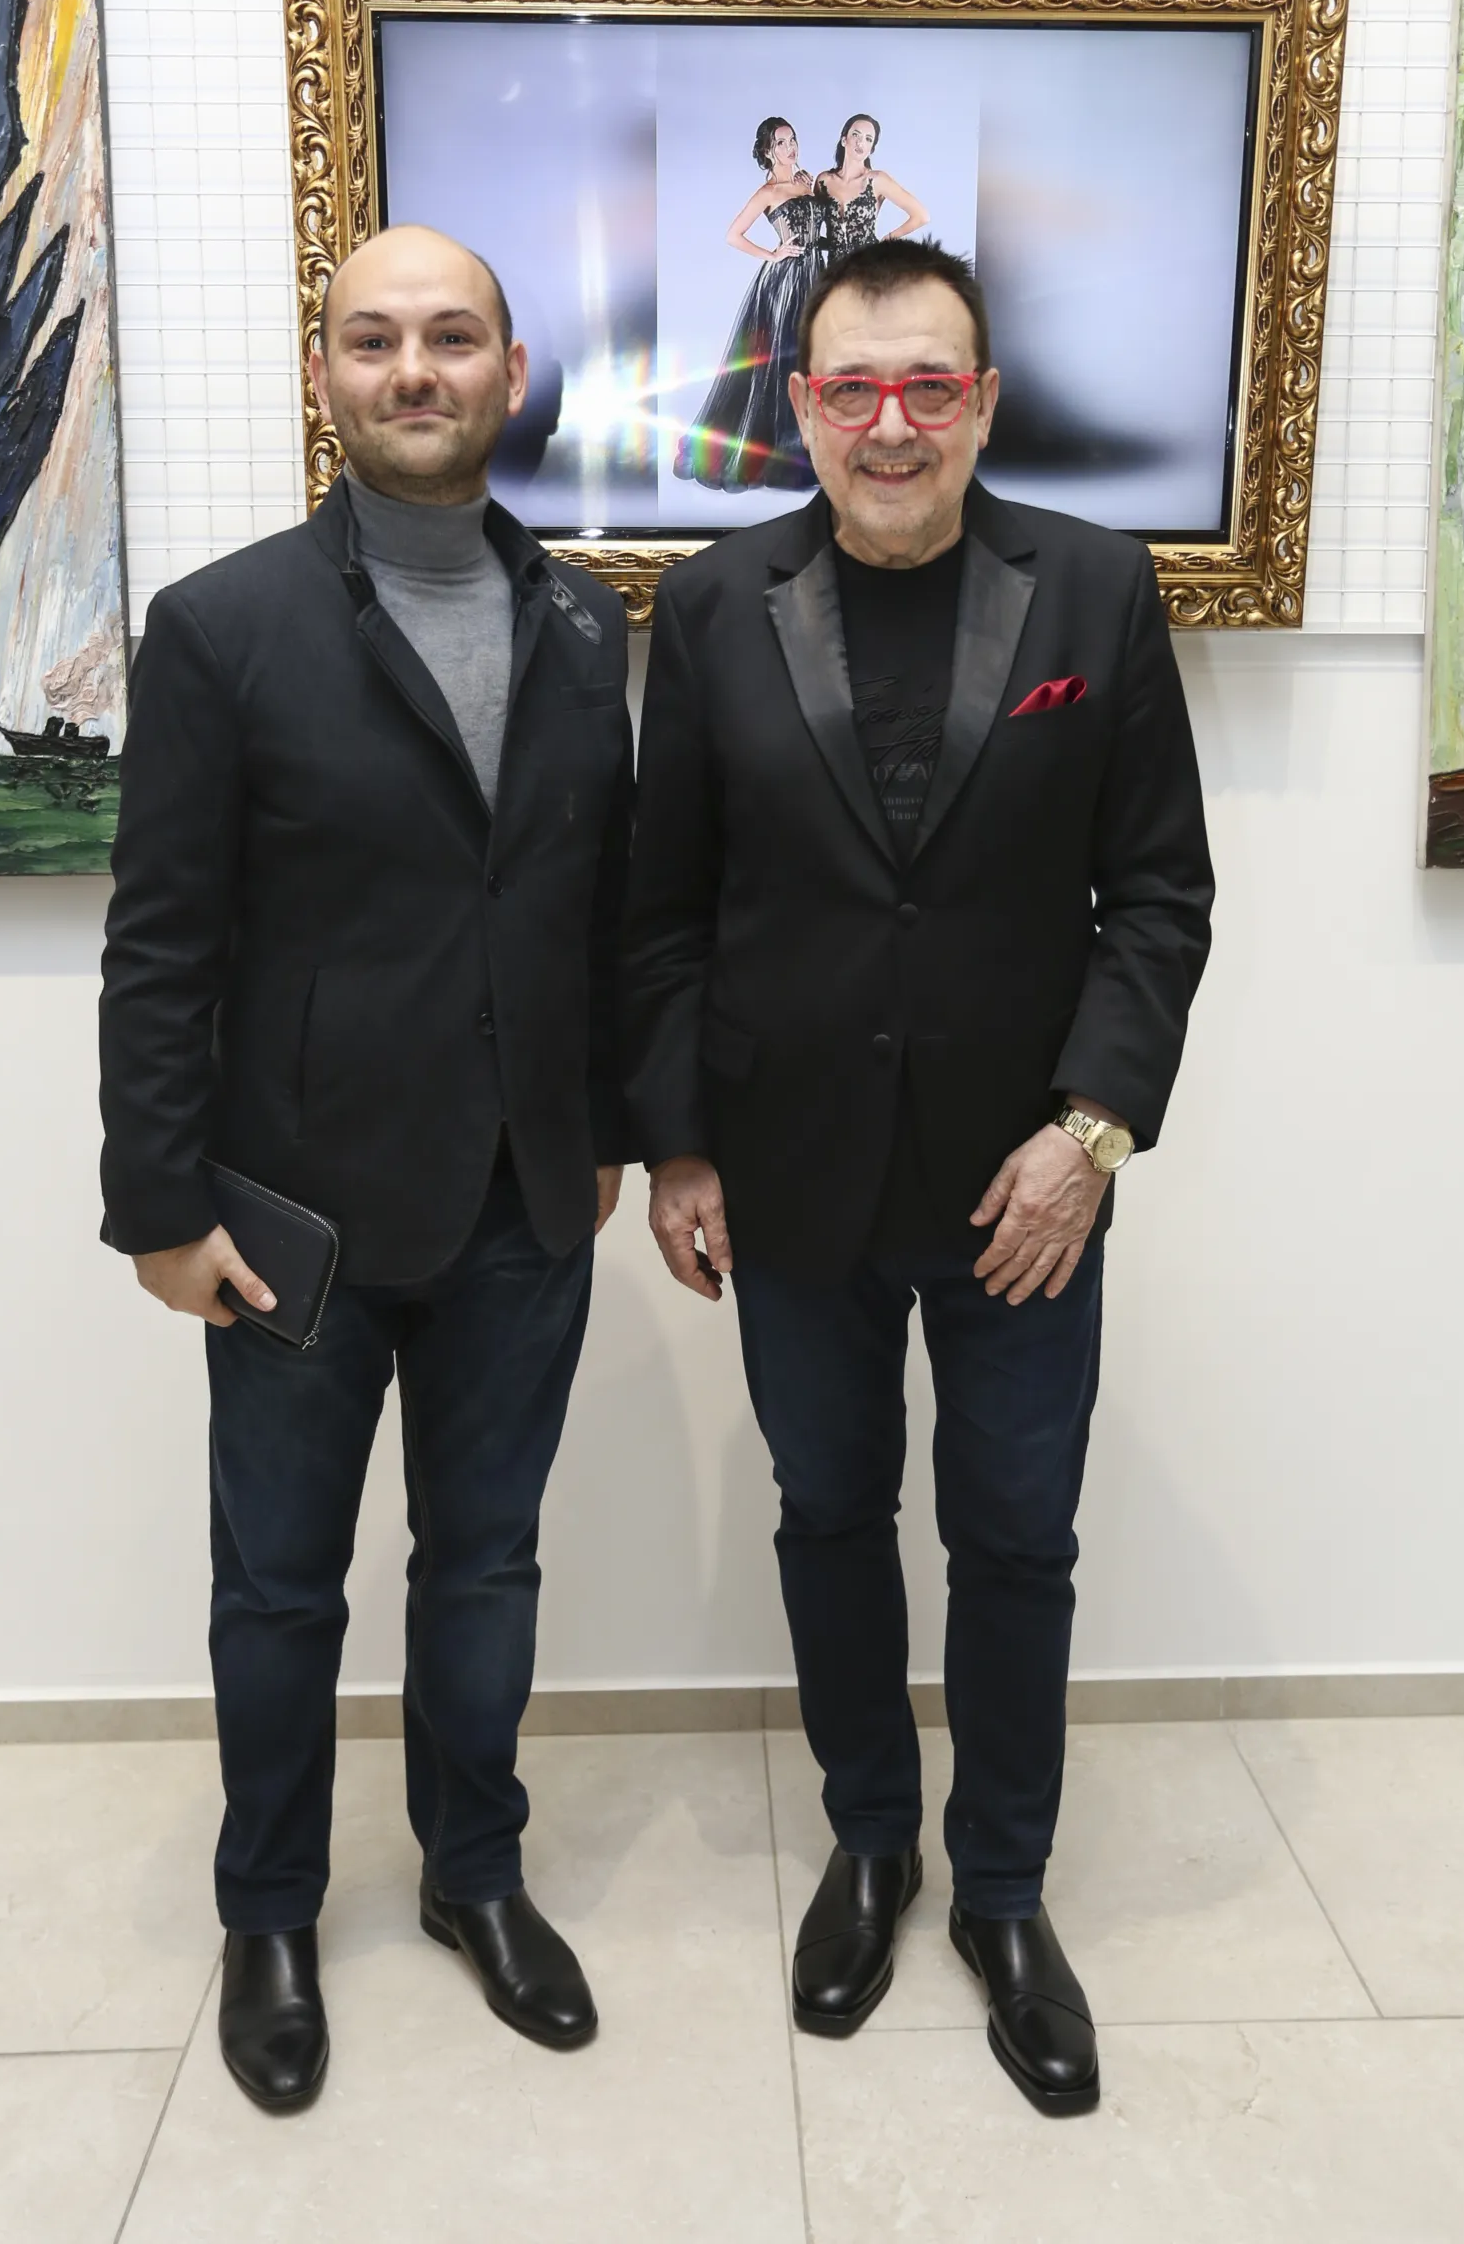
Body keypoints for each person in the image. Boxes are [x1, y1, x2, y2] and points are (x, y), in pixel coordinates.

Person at [623, 236, 1212, 2116]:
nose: (892, 424)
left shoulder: (1094, 589)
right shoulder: (710, 604)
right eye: (854, 388)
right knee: (827, 1516)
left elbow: (1158, 900)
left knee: (1017, 1538)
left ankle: (1005, 1893)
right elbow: (663, 911)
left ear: (981, 402)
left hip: (1027, 1188)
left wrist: (1088, 1135)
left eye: (929, 386)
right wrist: (678, 1142)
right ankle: (870, 1843)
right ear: (799, 405)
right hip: (787, 1176)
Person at [99, 224, 631, 2112]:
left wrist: (606, 1131)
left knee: (485, 1567)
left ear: (509, 372)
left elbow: (593, 913)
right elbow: (161, 945)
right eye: (374, 338)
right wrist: (159, 1206)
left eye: (452, 336)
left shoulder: (584, 625)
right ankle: (268, 1912)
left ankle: (472, 1875)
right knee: (279, 1591)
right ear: (325, 372)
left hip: (521, 1209)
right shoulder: (221, 627)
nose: (415, 369)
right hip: (291, 1223)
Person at [675, 115, 826, 492]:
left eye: (792, 139)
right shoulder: (767, 192)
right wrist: (772, 254)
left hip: (816, 275)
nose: (790, 148)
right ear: (767, 152)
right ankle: (780, 449)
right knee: (781, 361)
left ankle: (815, 443)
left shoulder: (807, 181)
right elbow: (733, 235)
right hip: (785, 284)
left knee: (814, 356)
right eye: (781, 143)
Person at [815, 113, 928, 263]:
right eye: (856, 135)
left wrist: (887, 240)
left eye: (868, 139)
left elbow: (921, 216)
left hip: (868, 266)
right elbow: (810, 224)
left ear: (871, 149)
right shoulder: (824, 181)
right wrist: (800, 185)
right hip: (835, 268)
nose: (860, 142)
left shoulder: (877, 180)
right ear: (844, 140)